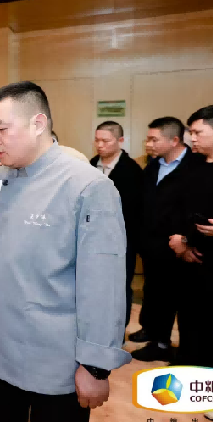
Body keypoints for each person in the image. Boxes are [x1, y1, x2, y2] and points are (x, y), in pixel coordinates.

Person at [0, 81, 130, 422]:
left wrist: (95, 367)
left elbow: (104, 286)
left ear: (37, 124)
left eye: (1, 129)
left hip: (55, 360)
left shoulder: (88, 186)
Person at [168, 105, 213, 422]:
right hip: (192, 266)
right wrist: (181, 241)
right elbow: (180, 209)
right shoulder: (193, 166)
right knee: (195, 334)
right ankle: (202, 391)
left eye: (197, 132)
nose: (191, 138)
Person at [130, 117, 195, 362]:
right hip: (152, 245)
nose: (149, 144)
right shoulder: (154, 166)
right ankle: (157, 339)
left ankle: (169, 345)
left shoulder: (194, 166)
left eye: (154, 139)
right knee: (156, 293)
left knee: (177, 299)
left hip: (180, 246)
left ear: (174, 140)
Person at [90, 121, 144, 328]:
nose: (100, 145)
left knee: (119, 288)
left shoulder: (131, 171)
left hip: (121, 241)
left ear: (120, 141)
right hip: (92, 239)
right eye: (97, 140)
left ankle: (116, 332)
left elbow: (134, 211)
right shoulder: (91, 164)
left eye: (106, 140)